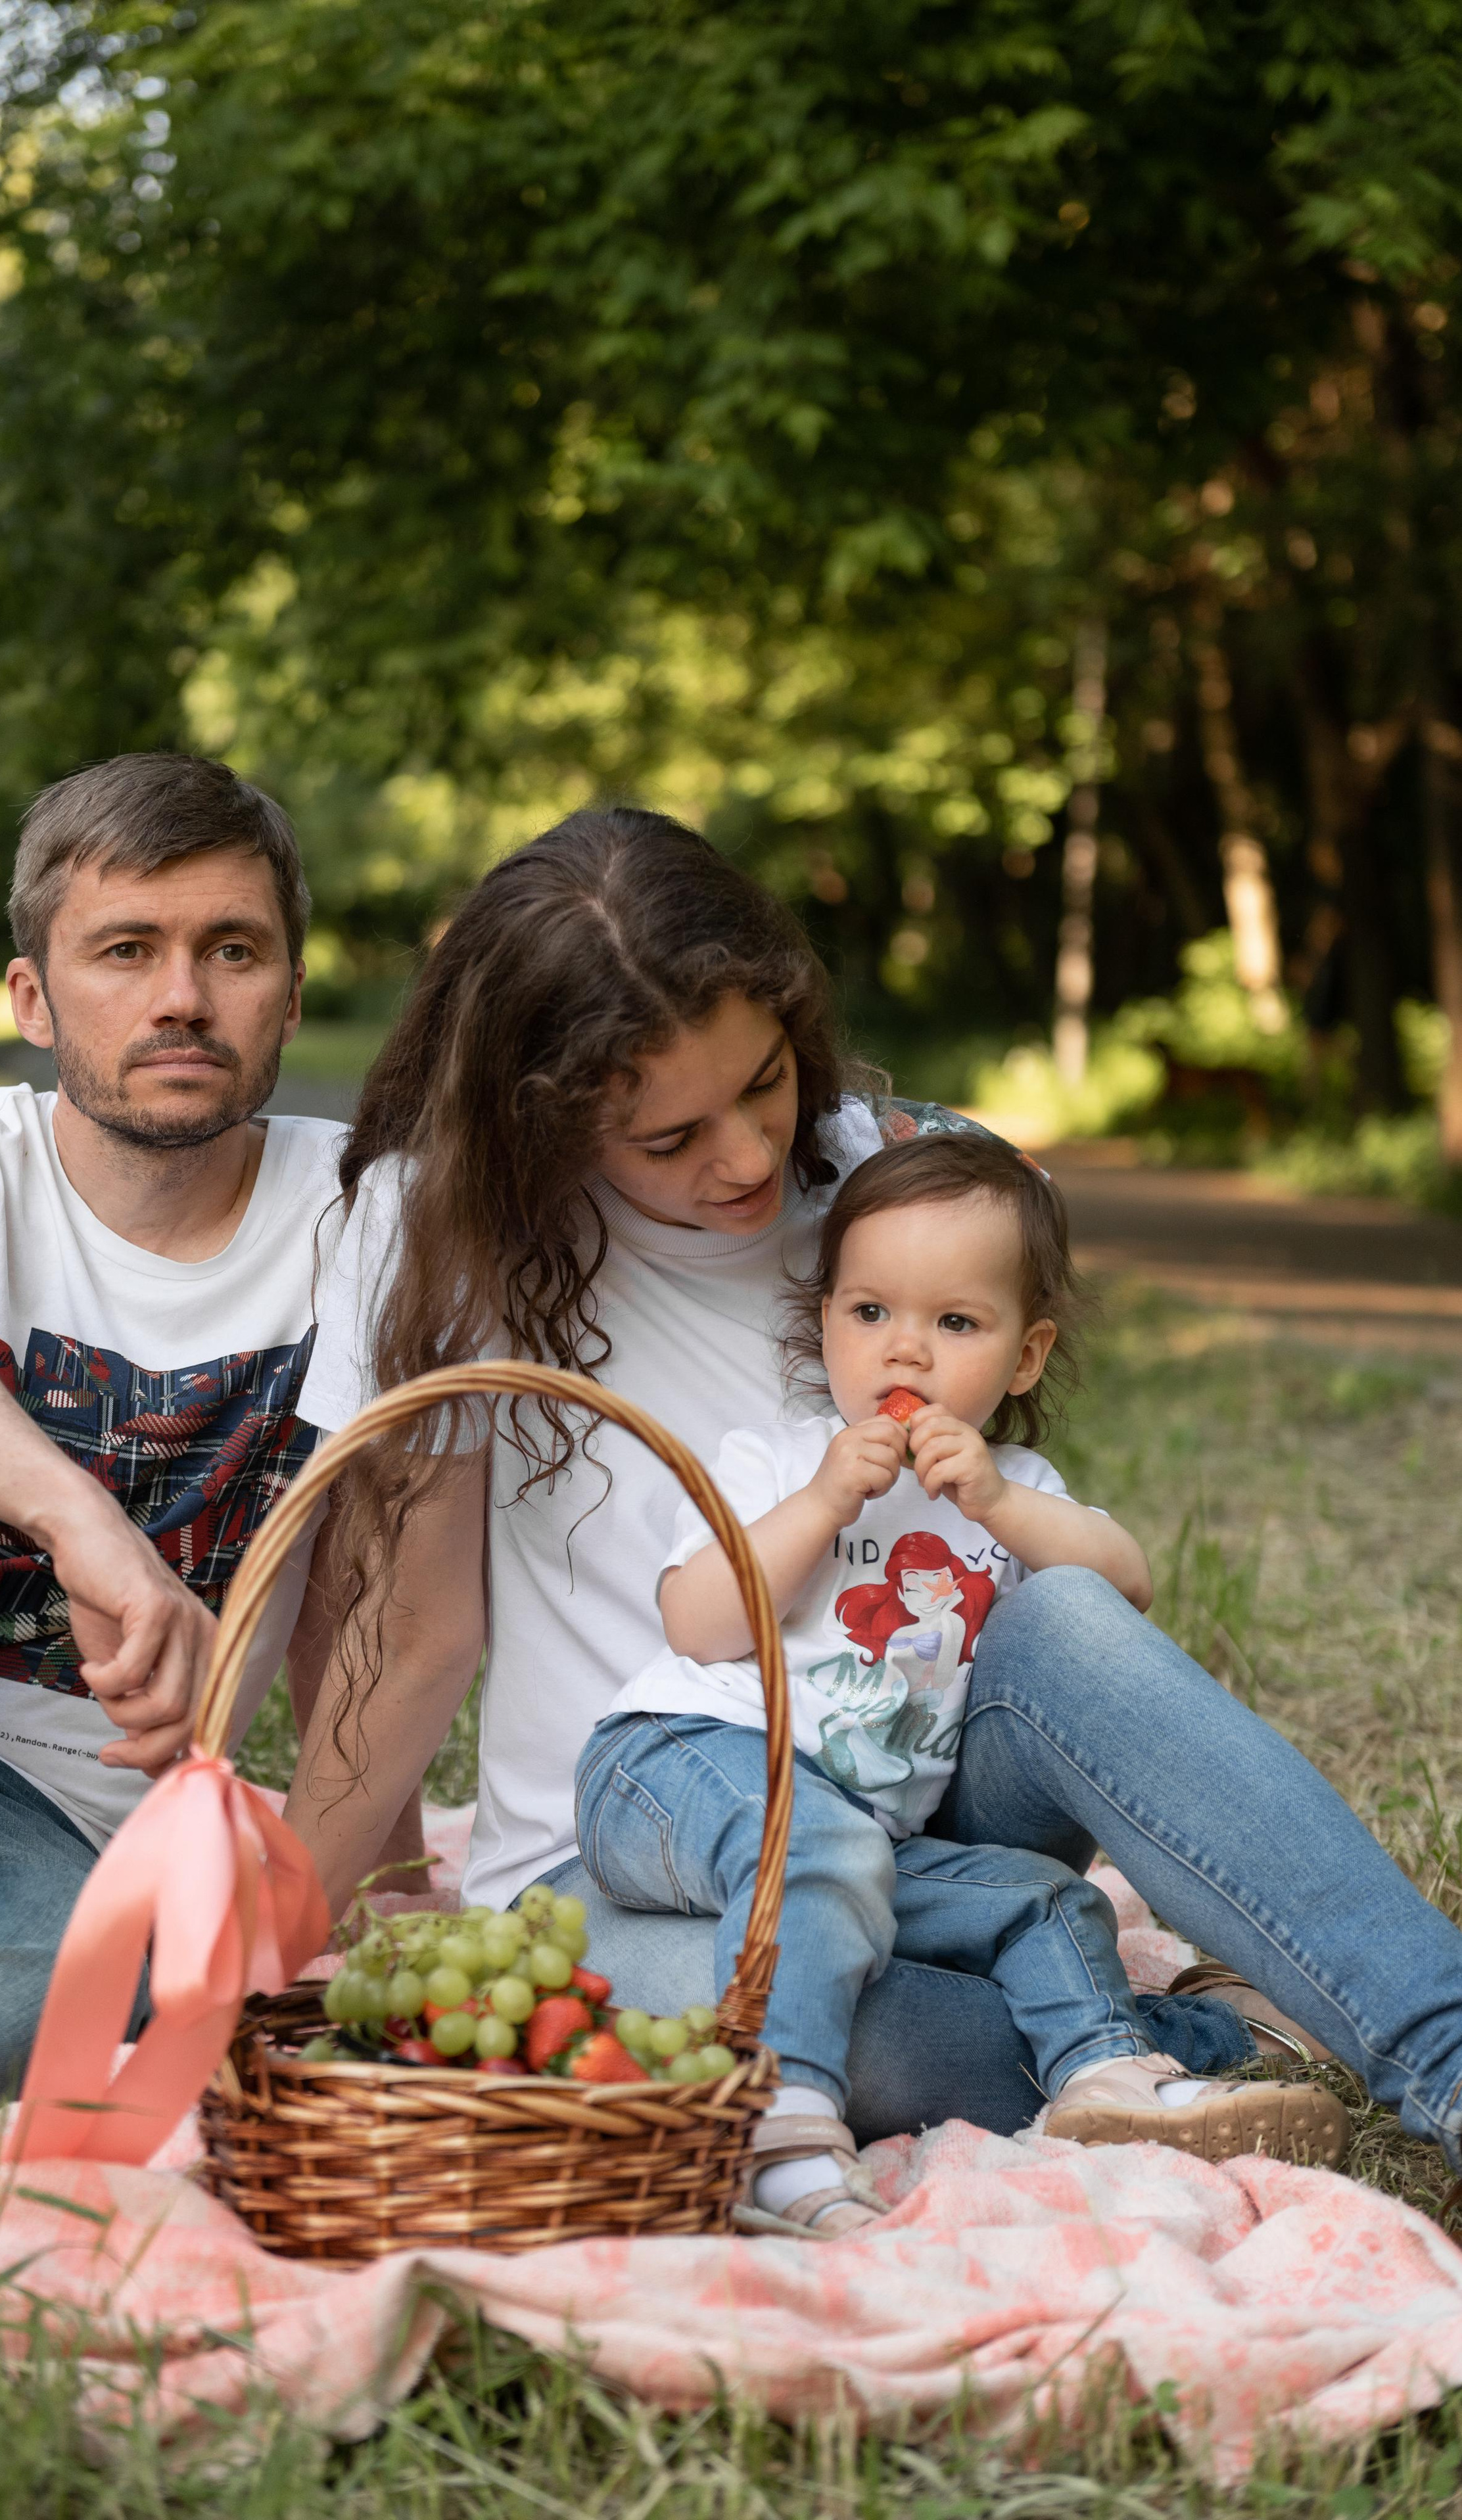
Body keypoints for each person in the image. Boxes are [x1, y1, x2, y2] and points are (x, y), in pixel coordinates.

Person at [291, 803, 1462, 2162]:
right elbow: (413, 1630)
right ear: (534, 1122)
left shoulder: (879, 1173)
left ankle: (1439, 2048)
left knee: (1068, 1613)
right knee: (812, 2033)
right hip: (635, 1842)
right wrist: (293, 1938)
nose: (740, 1157)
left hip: (917, 1790)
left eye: (762, 1082)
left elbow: (1024, 1478)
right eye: (667, 1140)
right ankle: (1185, 2040)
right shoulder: (436, 1230)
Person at [577, 1134, 1344, 2235]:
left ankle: (1110, 2080)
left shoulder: (1015, 1489)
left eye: (956, 1323)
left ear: (1025, 1357)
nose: (908, 1353)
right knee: (821, 1846)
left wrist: (994, 1503)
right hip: (675, 1762)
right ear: (825, 1320)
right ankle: (781, 2121)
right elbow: (695, 1621)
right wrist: (820, 1506)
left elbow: (1122, 1585)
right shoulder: (779, 1457)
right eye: (871, 1312)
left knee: (1045, 1897)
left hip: (861, 1839)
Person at [0, 751, 338, 2186]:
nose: (180, 999)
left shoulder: (363, 1211)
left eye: (232, 950)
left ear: (289, 986)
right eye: (126, 951)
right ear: (32, 1000)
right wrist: (76, 1517)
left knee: (47, 1988)